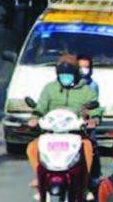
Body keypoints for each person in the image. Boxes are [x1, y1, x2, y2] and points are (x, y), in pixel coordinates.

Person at [24, 55, 103, 192]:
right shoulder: (50, 89)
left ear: (76, 74)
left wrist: (94, 119)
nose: (65, 78)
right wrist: (35, 118)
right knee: (32, 147)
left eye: (69, 75)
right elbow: (41, 107)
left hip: (76, 132)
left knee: (88, 147)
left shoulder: (87, 91)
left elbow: (95, 109)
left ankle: (85, 183)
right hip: (51, 132)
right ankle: (40, 176)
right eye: (62, 75)